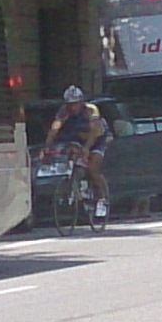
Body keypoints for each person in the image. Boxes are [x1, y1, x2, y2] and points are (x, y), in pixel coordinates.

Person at [44, 86, 114, 221]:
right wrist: (47, 146)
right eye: (69, 104)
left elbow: (94, 131)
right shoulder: (64, 111)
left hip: (98, 138)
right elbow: (55, 128)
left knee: (93, 166)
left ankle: (102, 199)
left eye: (74, 104)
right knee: (71, 152)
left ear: (81, 102)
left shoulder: (90, 110)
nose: (72, 107)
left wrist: (87, 148)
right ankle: (76, 185)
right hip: (78, 137)